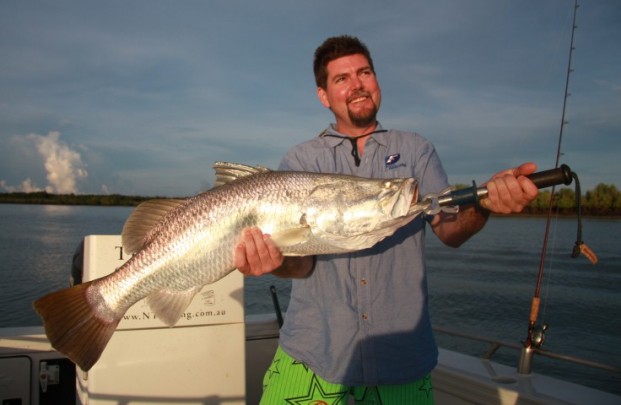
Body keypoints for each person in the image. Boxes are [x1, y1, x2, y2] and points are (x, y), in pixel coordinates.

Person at [235, 35, 538, 404]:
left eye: (364, 72)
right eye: (341, 79)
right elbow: (301, 266)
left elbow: (451, 230)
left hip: (402, 365)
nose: (357, 84)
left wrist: (486, 203)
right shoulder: (301, 160)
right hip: (313, 357)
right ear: (324, 96)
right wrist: (274, 261)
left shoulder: (416, 149)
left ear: (376, 80)